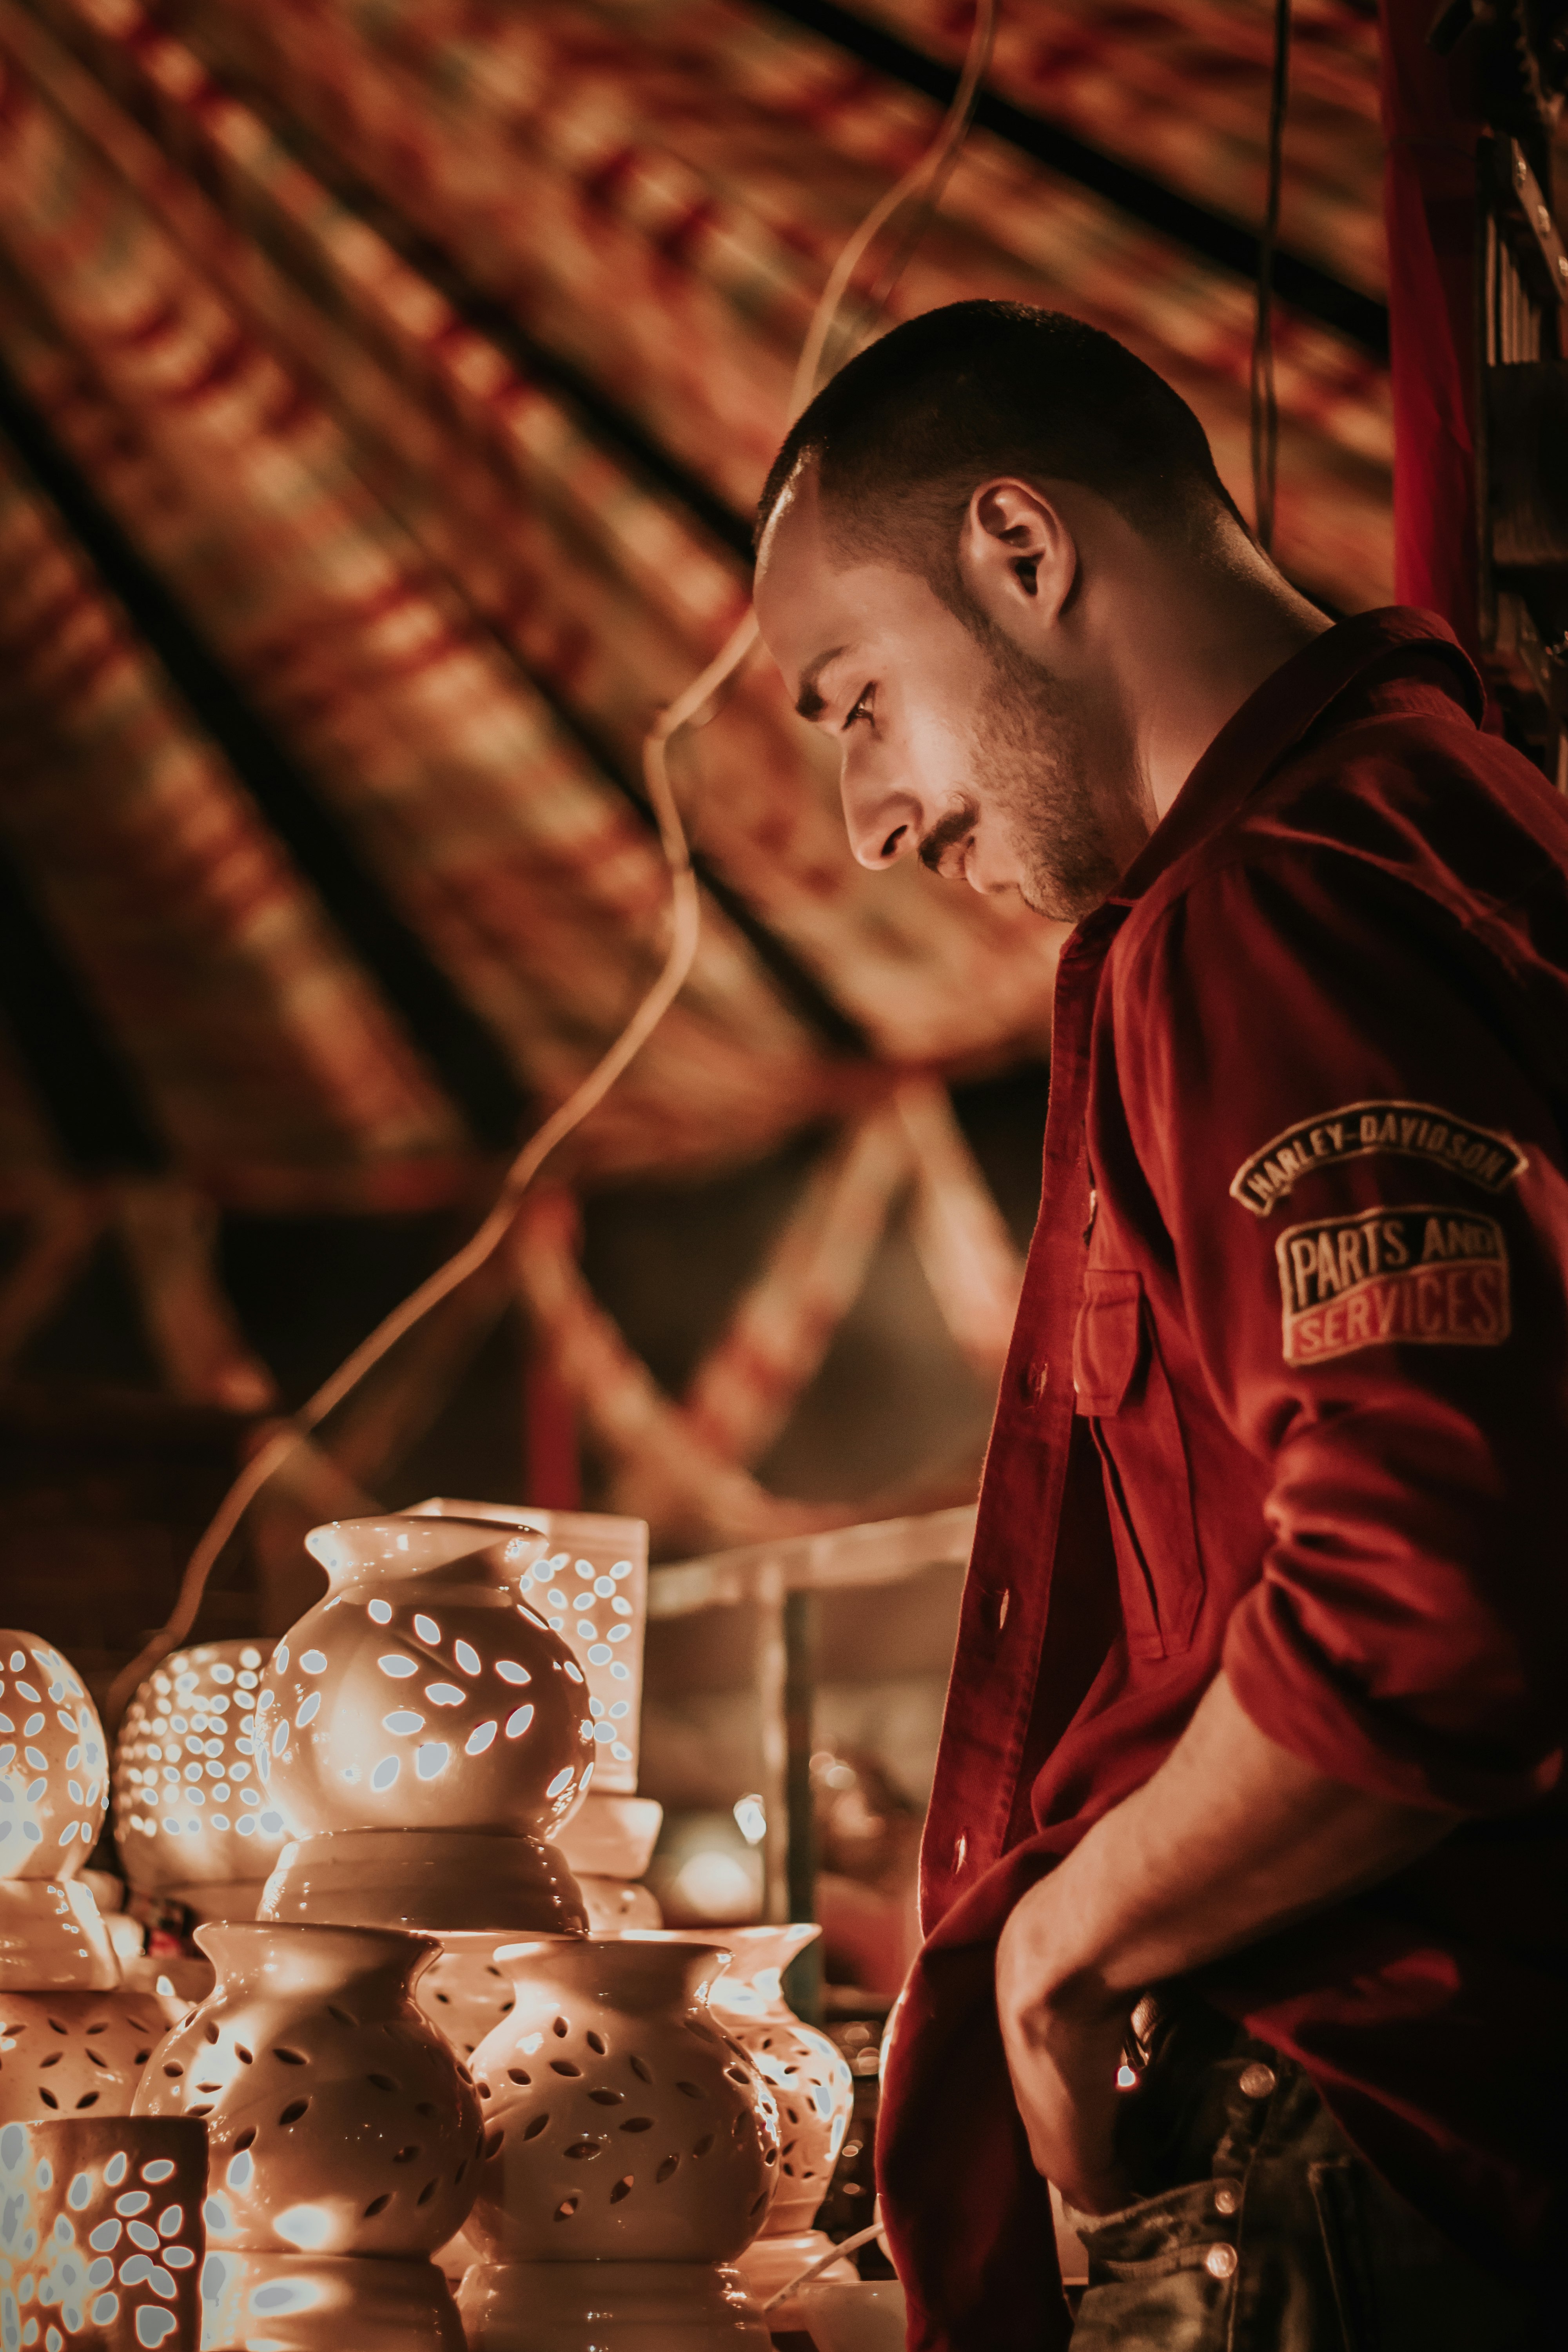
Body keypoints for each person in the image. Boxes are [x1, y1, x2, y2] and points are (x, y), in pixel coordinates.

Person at [751, 301, 1566, 2351]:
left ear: (1022, 554)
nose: (871, 822)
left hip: (1392, 2171)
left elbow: (1432, 1604)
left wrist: (1068, 1945)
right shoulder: (1452, 822)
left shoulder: (1273, 905)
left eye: (851, 698)